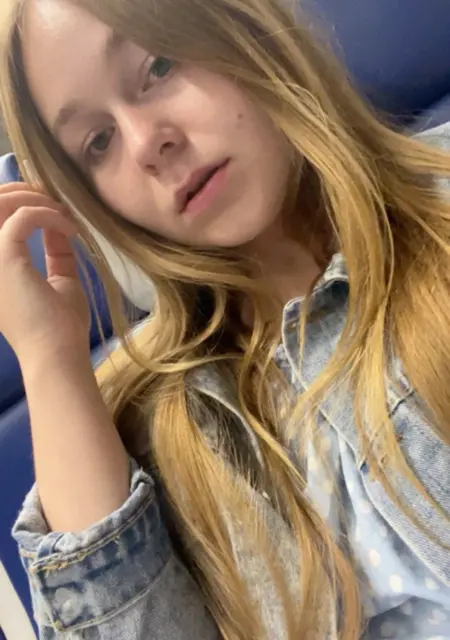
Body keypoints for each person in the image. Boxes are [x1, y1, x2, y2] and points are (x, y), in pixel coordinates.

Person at [0, 0, 449, 637]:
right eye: (97, 143)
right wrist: (49, 359)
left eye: (158, 65)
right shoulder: (150, 430)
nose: (146, 143)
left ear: (239, 25)